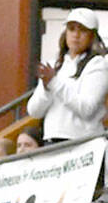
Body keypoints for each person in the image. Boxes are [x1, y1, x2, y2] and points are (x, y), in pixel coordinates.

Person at [27, 8, 108, 142]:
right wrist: (46, 89)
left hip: (83, 144)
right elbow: (34, 111)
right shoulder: (54, 65)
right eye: (71, 29)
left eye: (82, 30)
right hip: (52, 142)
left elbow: (87, 109)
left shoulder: (98, 64)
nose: (76, 35)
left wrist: (53, 83)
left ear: (92, 36)